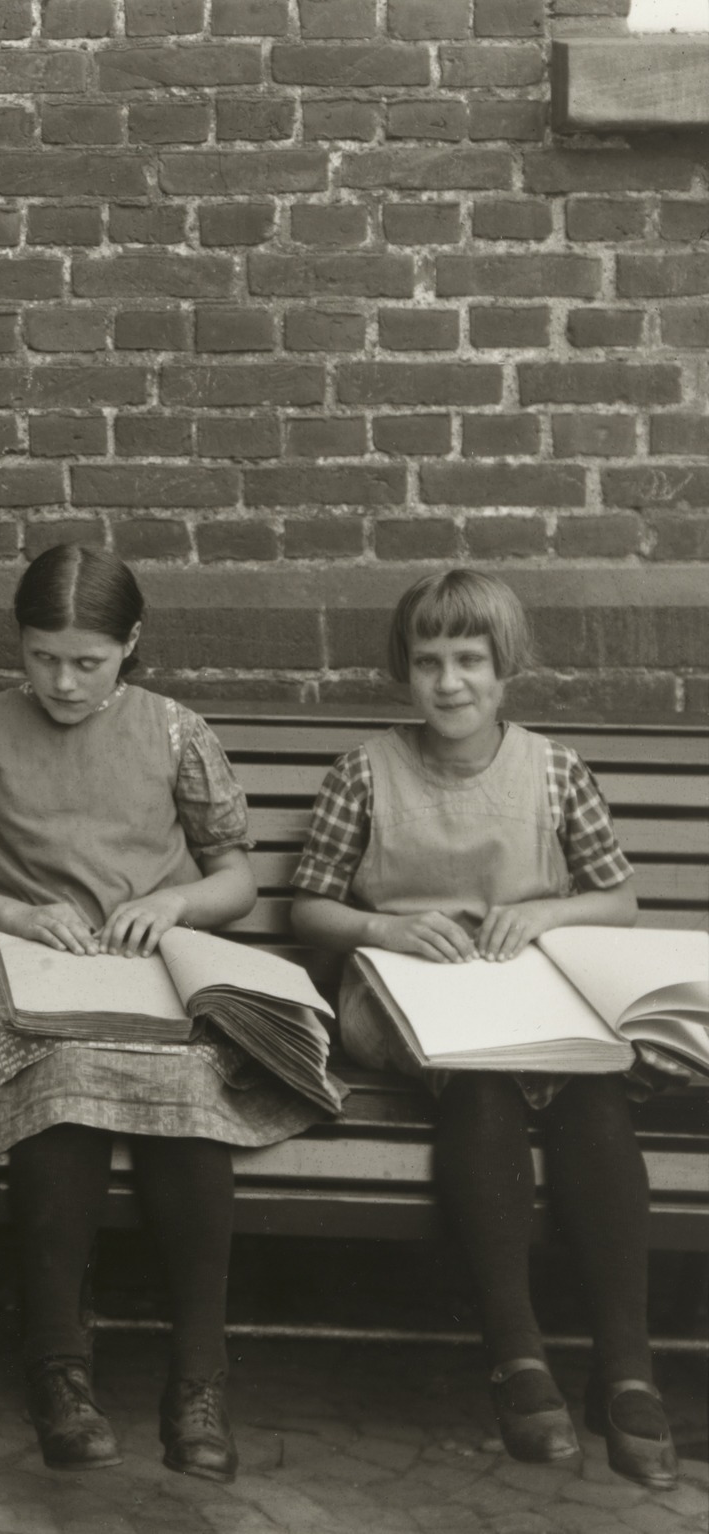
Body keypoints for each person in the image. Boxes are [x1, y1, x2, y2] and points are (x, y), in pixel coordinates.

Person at [0, 544, 324, 1483]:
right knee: (64, 1093)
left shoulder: (174, 733)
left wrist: (173, 905)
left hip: (146, 981)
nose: (60, 680)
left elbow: (234, 878)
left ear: (130, 646)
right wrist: (13, 912)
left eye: (87, 662)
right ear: (20, 644)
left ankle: (198, 1381)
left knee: (187, 1105)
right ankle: (58, 1371)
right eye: (42, 656)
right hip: (27, 980)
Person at [288, 568, 676, 1489]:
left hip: (528, 991)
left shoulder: (552, 770)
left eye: (470, 661)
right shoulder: (365, 770)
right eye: (429, 662)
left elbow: (618, 897)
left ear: (506, 672)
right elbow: (310, 906)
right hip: (413, 999)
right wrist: (382, 927)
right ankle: (517, 1352)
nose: (449, 682)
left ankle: (626, 1364)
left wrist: (547, 917)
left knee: (593, 1098)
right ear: (405, 673)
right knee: (481, 1081)